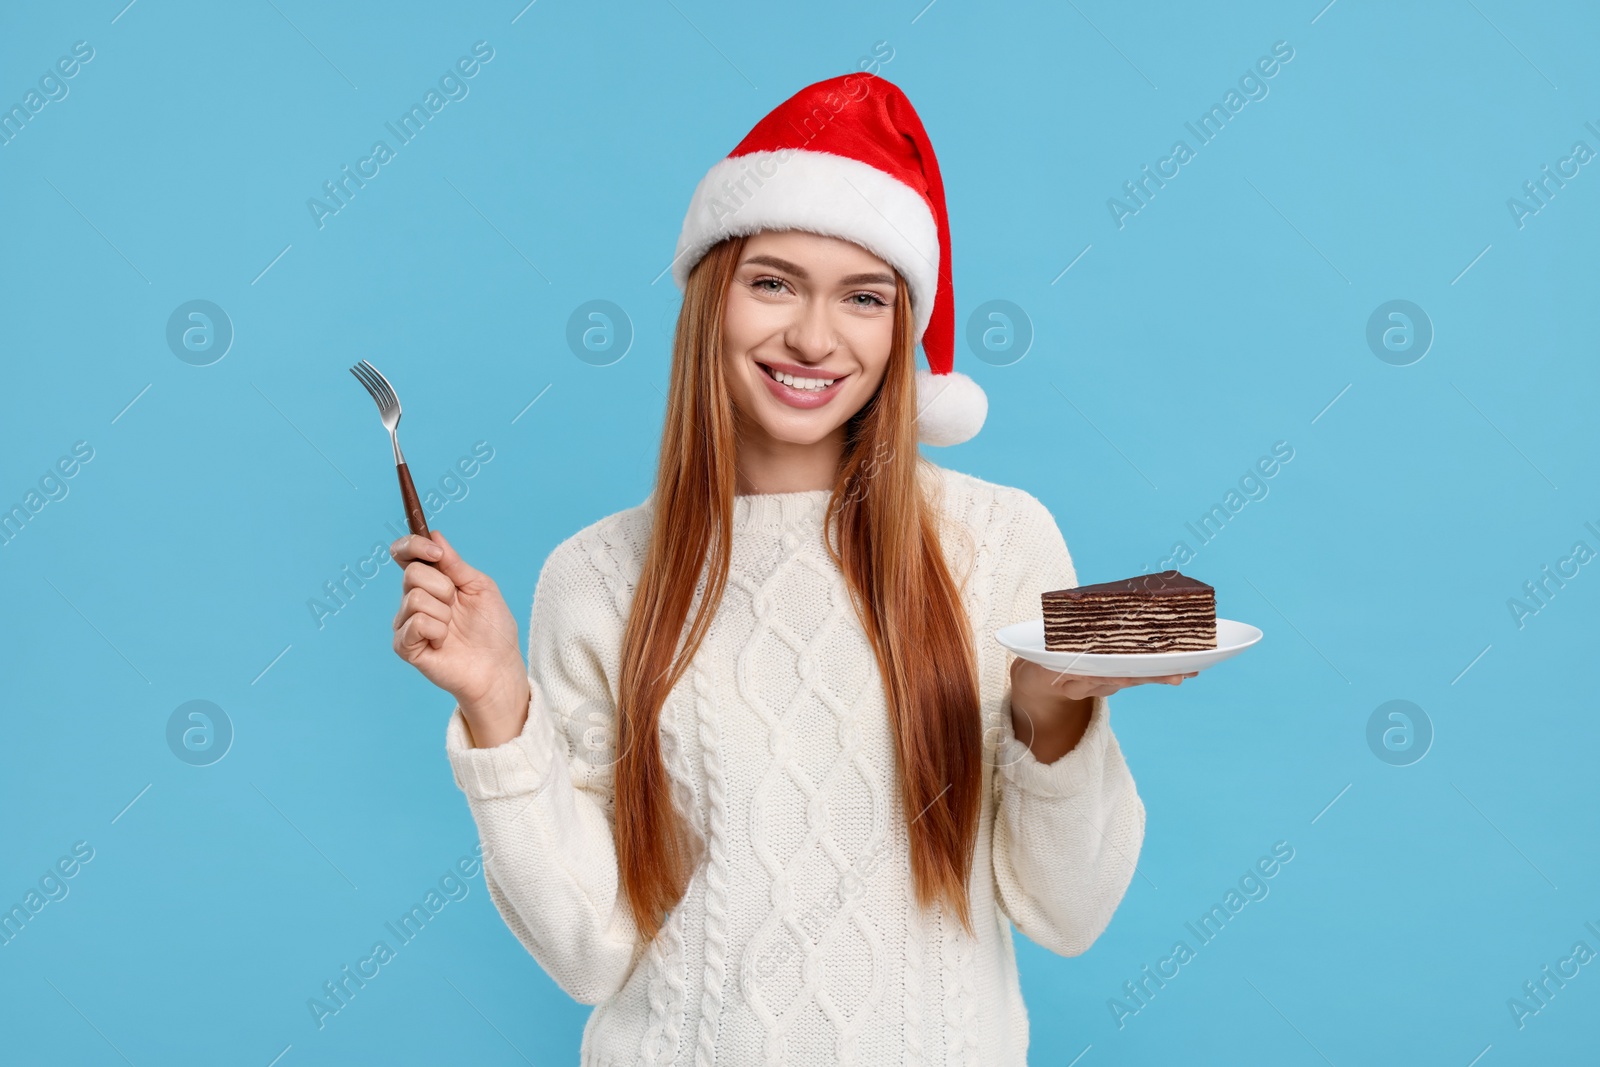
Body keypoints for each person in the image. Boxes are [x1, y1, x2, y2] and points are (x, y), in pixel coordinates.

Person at [388, 73, 1193, 1066]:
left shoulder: (1000, 542)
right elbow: (590, 951)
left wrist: (1052, 714)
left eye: (864, 297)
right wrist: (498, 707)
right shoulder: (596, 576)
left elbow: (1068, 912)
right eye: (773, 281)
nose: (814, 337)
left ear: (903, 329)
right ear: (709, 298)